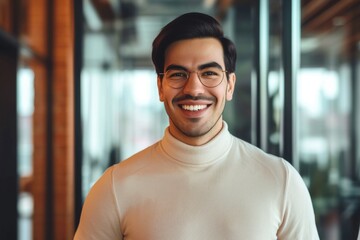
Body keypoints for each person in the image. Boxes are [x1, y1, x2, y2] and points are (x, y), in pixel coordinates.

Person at [74, 12, 319, 239]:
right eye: (178, 74)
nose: (193, 89)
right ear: (160, 87)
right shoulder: (115, 187)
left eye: (210, 73)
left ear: (230, 85)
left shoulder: (281, 181)